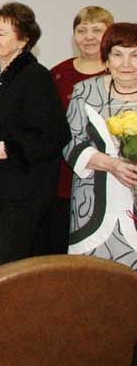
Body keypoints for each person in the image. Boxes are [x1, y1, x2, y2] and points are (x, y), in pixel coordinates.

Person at [0, 2, 69, 269]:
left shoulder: (34, 77)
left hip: (22, 195)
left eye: (1, 33)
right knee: (0, 268)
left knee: (11, 270)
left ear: (23, 40)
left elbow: (51, 135)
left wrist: (1, 149)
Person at [63, 22, 137, 270]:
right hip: (92, 207)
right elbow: (70, 143)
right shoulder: (84, 91)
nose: (126, 64)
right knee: (92, 287)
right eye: (118, 55)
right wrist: (112, 164)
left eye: (135, 55)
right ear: (106, 59)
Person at [45, 6, 113, 256]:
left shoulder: (121, 73)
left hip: (110, 180)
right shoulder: (58, 74)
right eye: (82, 30)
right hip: (62, 179)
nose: (88, 36)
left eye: (97, 30)